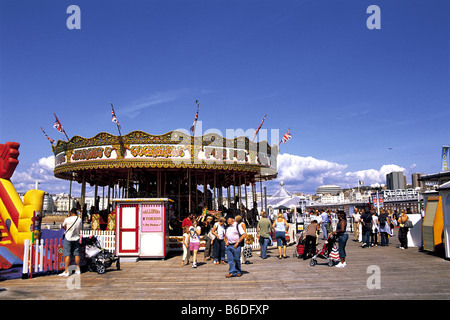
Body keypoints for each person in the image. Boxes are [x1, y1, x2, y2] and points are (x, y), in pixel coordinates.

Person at [59, 208, 83, 277]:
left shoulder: (67, 219)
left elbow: (63, 226)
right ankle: (78, 270)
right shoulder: (79, 219)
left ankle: (66, 271)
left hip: (68, 237)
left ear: (70, 213)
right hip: (76, 237)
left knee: (67, 254)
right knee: (76, 253)